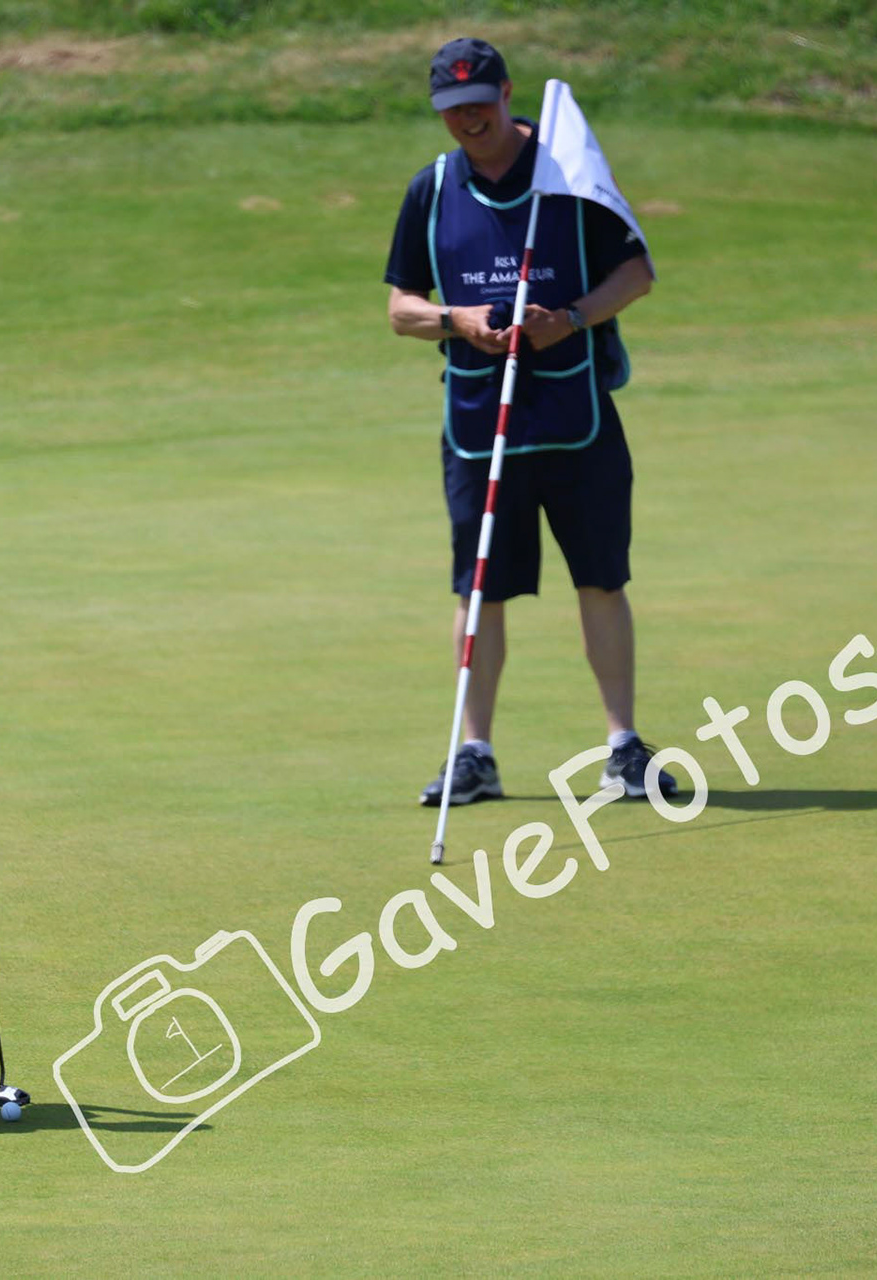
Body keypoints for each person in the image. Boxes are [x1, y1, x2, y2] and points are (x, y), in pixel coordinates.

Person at [384, 36, 675, 808]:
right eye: (452, 109)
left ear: (507, 93)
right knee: (480, 591)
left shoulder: (567, 175)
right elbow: (401, 309)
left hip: (576, 415)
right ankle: (474, 754)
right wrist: (457, 320)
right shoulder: (432, 189)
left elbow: (636, 273)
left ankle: (623, 748)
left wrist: (569, 318)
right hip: (480, 425)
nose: (468, 120)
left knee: (601, 579)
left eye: (479, 104)